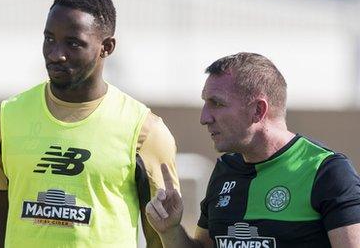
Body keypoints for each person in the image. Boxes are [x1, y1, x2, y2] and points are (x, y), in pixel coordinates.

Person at [0, 0, 179, 247]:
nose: (55, 54)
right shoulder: (6, 117)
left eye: (73, 43)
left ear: (106, 47)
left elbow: (160, 237)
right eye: (49, 39)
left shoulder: (145, 130)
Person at [145, 52, 360, 247]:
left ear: (258, 110)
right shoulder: (226, 169)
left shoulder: (325, 171)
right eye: (205, 103)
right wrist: (170, 230)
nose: (204, 118)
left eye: (217, 104)